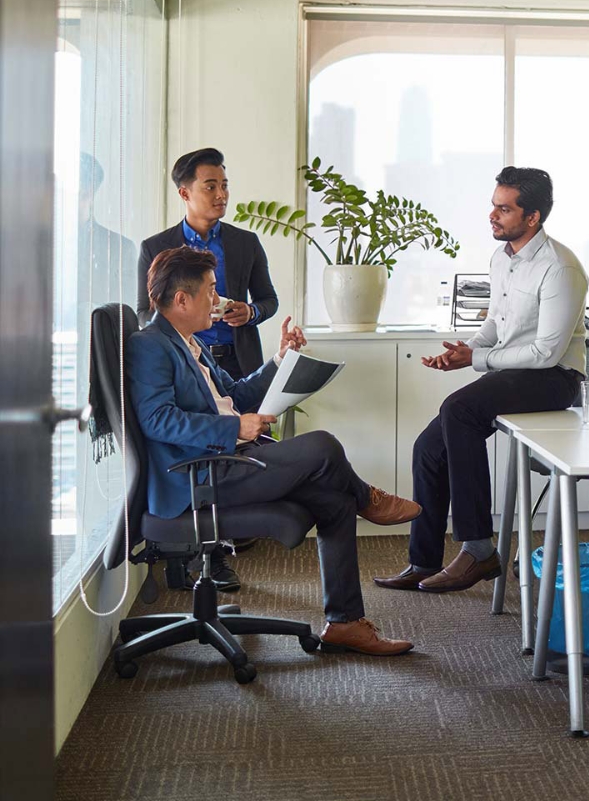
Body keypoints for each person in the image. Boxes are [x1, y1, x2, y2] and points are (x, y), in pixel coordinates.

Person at [127, 246, 420, 655]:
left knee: (334, 503)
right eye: (211, 291)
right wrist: (234, 428)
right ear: (181, 300)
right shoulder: (151, 345)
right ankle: (368, 498)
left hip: (229, 461)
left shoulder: (190, 343)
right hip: (200, 478)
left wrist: (282, 359)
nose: (219, 301)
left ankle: (346, 624)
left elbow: (232, 393)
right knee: (322, 445)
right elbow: (157, 420)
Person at [375, 166, 588, 593]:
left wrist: (479, 359)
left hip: (555, 378)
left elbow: (546, 351)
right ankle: (423, 560)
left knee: (460, 408)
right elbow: (496, 321)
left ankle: (478, 548)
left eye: (504, 209)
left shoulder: (560, 268)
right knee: (428, 449)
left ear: (533, 217)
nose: (493, 215)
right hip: (513, 372)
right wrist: (465, 351)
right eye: (493, 205)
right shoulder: (502, 258)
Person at [137, 148, 277, 381]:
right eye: (210, 187)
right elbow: (143, 314)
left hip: (240, 363)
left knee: (247, 418)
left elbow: (269, 300)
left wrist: (250, 312)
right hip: (182, 362)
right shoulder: (155, 248)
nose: (221, 195)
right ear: (184, 193)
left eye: (224, 185)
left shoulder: (246, 242)